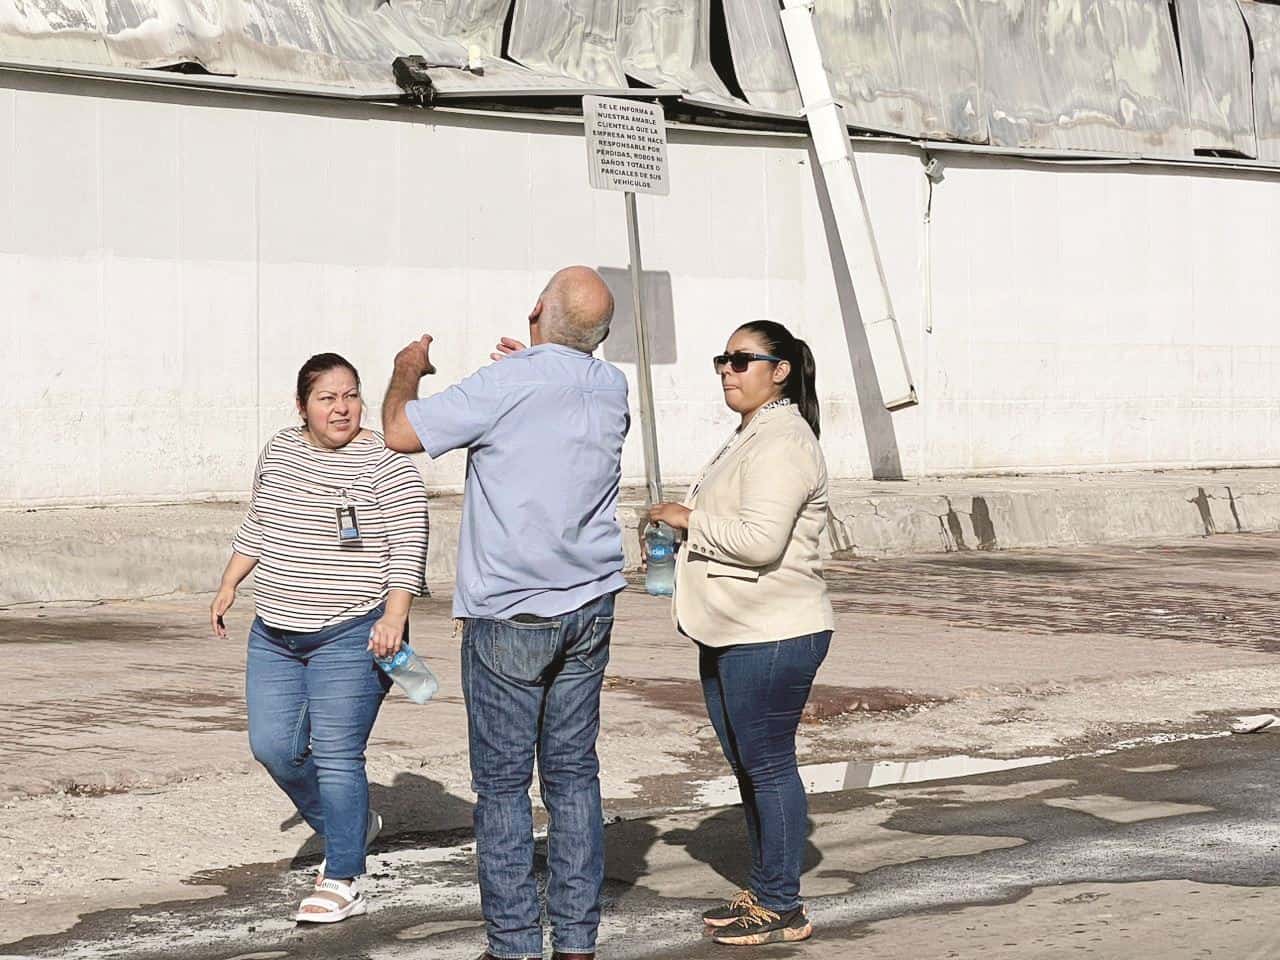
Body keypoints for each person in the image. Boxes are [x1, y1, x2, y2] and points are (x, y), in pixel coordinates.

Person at [382, 266, 628, 960]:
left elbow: (400, 431)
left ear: (534, 313)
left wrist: (407, 369)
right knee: (574, 776)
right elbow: (560, 386)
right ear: (601, 335)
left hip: (512, 615)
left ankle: (516, 943)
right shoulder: (611, 387)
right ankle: (576, 941)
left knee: (502, 789)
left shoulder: (506, 385)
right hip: (590, 607)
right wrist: (535, 364)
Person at [210, 352, 429, 923]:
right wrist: (230, 581)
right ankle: (351, 826)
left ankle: (345, 875)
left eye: (351, 395)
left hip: (353, 631)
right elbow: (260, 521)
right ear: (302, 405)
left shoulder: (387, 460)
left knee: (335, 755)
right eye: (327, 398)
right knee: (274, 749)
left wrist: (394, 617)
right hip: (275, 631)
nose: (342, 408)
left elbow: (409, 540)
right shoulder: (281, 452)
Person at [648, 320, 833, 947]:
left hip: (773, 630)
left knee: (769, 766)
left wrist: (688, 519)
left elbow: (760, 542)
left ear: (779, 370)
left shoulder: (783, 440)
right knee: (750, 767)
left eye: (742, 360)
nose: (728, 370)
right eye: (722, 359)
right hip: (731, 627)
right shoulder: (753, 434)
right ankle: (767, 887)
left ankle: (783, 903)